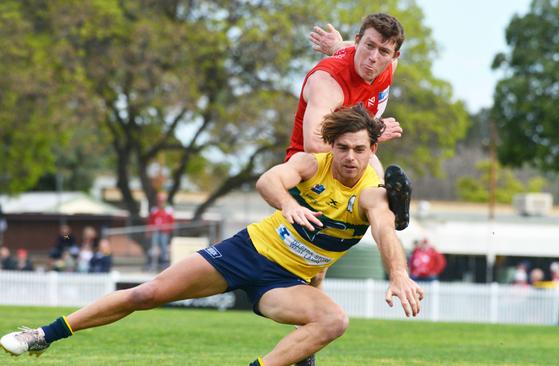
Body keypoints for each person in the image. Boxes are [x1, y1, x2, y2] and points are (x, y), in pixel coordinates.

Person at [0, 105, 424, 365]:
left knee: (335, 320)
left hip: (284, 282)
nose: (350, 157)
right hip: (245, 251)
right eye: (343, 148)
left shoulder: (372, 192)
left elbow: (385, 231)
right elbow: (269, 180)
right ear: (331, 145)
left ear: (373, 150)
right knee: (145, 295)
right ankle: (42, 335)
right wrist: (289, 204)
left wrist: (398, 274)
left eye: (359, 149)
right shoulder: (314, 164)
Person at [293, 13, 410, 231]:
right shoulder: (327, 82)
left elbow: (367, 49)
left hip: (348, 162)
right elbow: (314, 144)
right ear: (357, 41)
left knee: (376, 184)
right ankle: (384, 204)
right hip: (308, 169)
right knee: (307, 262)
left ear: (394, 56)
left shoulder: (387, 67)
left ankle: (390, 209)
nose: (373, 57)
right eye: (368, 46)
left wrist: (338, 44)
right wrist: (371, 134)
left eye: (384, 51)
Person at [146, 192, 175, 270]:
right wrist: (149, 231)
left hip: (164, 232)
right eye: (159, 199)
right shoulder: (154, 209)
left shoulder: (168, 209)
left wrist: (169, 230)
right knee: (153, 247)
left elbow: (171, 221)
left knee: (164, 248)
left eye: (162, 199)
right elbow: (151, 221)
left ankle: (164, 264)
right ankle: (152, 264)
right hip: (155, 231)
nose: (161, 200)